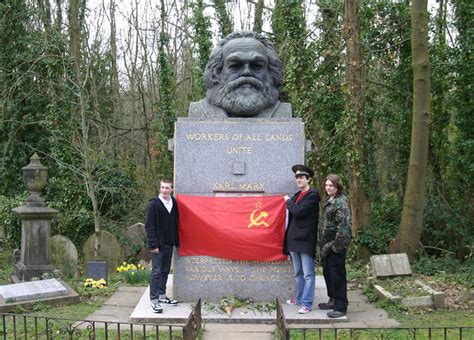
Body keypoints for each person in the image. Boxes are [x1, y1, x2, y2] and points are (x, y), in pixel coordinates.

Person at [189, 31, 292, 118]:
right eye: (235, 66)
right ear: (216, 73)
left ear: (271, 73)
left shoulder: (283, 113)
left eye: (256, 66)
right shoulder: (198, 112)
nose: (246, 72)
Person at [283, 164, 320, 314]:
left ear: (308, 179)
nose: (298, 180)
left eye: (301, 177)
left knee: (308, 274)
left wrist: (287, 201)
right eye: (297, 177)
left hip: (305, 240)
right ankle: (299, 299)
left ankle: (306, 303)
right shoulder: (297, 195)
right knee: (298, 273)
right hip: (293, 239)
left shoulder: (313, 195)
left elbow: (299, 211)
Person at [318, 174, 352, 318]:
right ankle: (332, 300)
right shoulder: (329, 201)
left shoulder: (341, 203)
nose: (328, 188)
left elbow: (344, 229)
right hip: (326, 246)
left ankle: (341, 306)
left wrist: (332, 246)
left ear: (338, 186)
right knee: (328, 275)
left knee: (337, 276)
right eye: (326, 185)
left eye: (331, 185)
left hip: (335, 247)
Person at [144, 178, 180, 313]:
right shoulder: (154, 205)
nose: (164, 190)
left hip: (169, 244)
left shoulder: (173, 203)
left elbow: (175, 223)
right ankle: (154, 300)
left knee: (165, 271)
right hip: (157, 246)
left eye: (167, 188)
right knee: (156, 272)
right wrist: (153, 245)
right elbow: (149, 226)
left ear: (172, 189)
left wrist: (176, 241)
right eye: (162, 187)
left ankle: (162, 295)